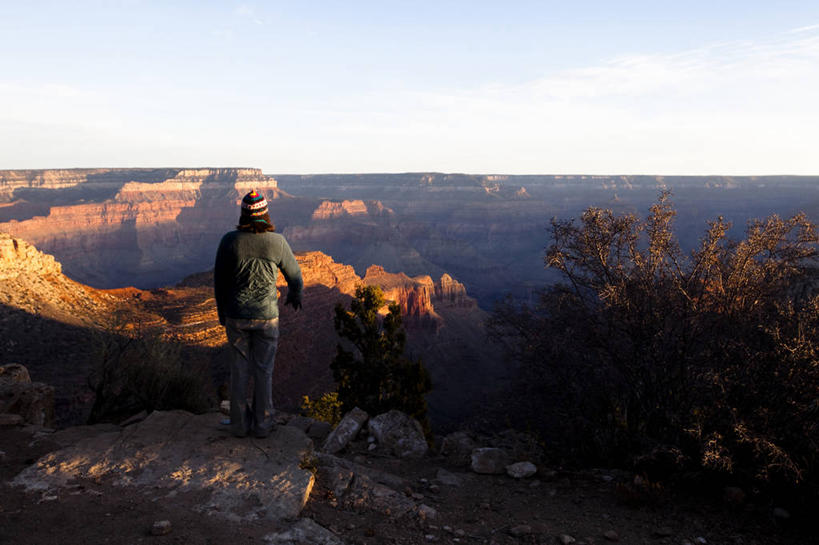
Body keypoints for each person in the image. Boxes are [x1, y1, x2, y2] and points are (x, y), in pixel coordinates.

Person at [214, 190, 303, 438]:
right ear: (265, 214)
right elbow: (295, 277)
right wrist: (295, 296)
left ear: (243, 214)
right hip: (266, 317)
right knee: (264, 370)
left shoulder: (229, 241)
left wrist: (222, 313)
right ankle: (263, 425)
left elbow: (219, 283)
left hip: (236, 315)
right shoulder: (277, 241)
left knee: (238, 369)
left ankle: (239, 425)